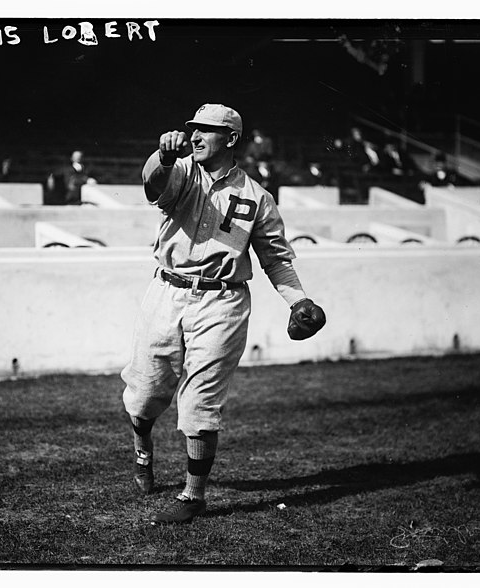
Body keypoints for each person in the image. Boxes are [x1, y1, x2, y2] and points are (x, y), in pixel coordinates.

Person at [121, 104, 326, 525]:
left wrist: (298, 300)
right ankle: (143, 451)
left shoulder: (257, 197)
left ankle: (193, 496)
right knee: (144, 396)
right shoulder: (182, 171)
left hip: (223, 300)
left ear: (231, 139)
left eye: (206, 131)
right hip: (167, 290)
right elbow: (151, 184)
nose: (194, 137)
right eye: (191, 129)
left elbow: (275, 258)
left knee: (200, 401)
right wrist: (162, 156)